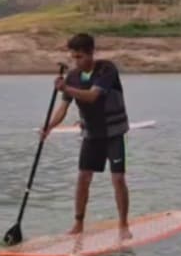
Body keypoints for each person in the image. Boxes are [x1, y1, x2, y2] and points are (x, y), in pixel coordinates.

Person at [40, 33, 130, 236]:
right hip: (91, 133)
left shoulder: (107, 69)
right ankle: (78, 224)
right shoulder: (72, 76)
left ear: (91, 54)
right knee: (83, 177)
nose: (76, 61)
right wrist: (48, 127)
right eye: (73, 57)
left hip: (113, 132)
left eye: (80, 57)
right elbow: (63, 108)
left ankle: (123, 225)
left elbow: (92, 96)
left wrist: (66, 88)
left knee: (117, 178)